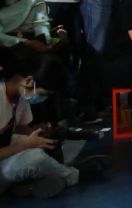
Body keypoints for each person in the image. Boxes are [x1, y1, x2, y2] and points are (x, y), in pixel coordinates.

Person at [0, 63, 109, 198]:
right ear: (28, 81)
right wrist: (26, 144)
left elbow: (18, 127)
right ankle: (73, 174)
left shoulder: (19, 96)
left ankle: (26, 186)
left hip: (5, 149)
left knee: (45, 142)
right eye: (43, 93)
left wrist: (43, 134)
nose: (42, 98)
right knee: (36, 158)